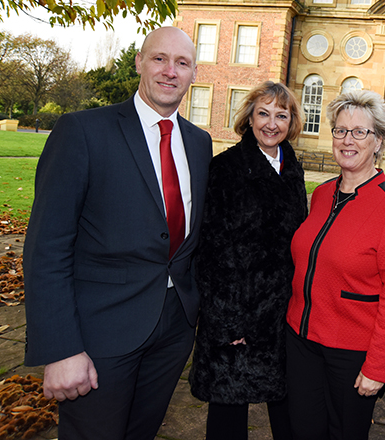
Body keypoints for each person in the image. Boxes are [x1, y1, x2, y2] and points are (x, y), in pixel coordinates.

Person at [22, 27, 212, 439]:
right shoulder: (83, 131)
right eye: (159, 58)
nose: (170, 71)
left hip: (173, 329)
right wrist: (60, 349)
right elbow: (46, 247)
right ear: (140, 63)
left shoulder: (200, 143)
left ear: (194, 73)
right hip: (100, 334)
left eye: (182, 63)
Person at [284, 89, 385, 440]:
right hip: (301, 341)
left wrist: (378, 368)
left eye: (360, 132)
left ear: (379, 141)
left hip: (350, 353)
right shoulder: (322, 193)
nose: (348, 140)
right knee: (302, 431)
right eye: (340, 130)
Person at [189, 81, 306, 440]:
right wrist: (228, 323)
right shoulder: (226, 168)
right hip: (235, 316)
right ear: (249, 118)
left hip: (280, 317)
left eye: (281, 115)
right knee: (228, 415)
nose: (272, 124)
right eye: (263, 114)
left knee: (288, 414)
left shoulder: (292, 169)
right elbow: (211, 248)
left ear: (292, 122)